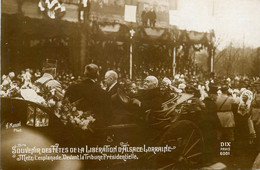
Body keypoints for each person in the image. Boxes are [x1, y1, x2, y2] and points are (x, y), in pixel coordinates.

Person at [65, 64, 112, 128]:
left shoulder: (72, 88)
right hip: (94, 129)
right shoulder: (102, 93)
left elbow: (65, 106)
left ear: (84, 73)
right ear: (97, 74)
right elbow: (107, 114)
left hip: (74, 128)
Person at [202, 85, 221, 164]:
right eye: (216, 94)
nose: (217, 96)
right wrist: (219, 125)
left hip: (204, 125)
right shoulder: (212, 104)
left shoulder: (204, 102)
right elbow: (214, 116)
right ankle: (209, 160)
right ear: (212, 95)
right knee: (210, 143)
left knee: (205, 143)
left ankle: (204, 159)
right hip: (210, 126)